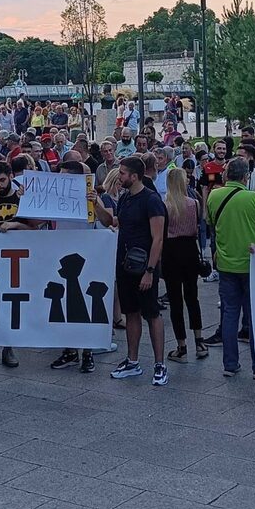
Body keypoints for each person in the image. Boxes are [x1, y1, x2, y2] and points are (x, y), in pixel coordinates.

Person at [94, 156, 169, 386]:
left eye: (123, 174)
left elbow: (158, 239)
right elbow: (112, 222)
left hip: (143, 265)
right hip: (125, 264)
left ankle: (159, 364)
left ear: (134, 176)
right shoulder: (126, 197)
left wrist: (149, 270)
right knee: (131, 313)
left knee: (152, 313)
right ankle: (132, 360)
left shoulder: (151, 200)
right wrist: (95, 203)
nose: (120, 177)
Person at [206, 157, 255, 382]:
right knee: (254, 315)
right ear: (246, 176)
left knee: (229, 314)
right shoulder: (253, 198)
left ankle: (230, 363)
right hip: (251, 264)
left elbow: (210, 223)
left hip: (226, 263)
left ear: (226, 175)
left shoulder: (214, 195)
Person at [160, 165, 206, 363]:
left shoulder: (165, 205)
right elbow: (199, 226)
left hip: (171, 250)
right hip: (190, 250)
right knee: (192, 297)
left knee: (175, 300)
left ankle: (181, 346)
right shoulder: (194, 203)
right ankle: (200, 341)